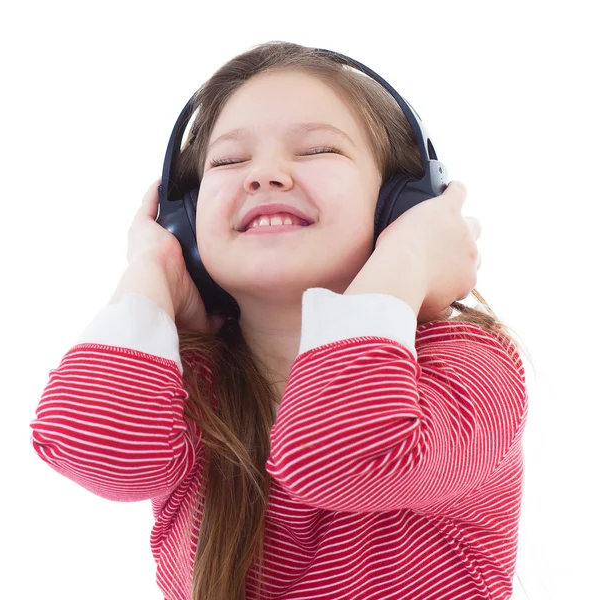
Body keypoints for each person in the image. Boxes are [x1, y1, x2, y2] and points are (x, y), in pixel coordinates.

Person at [29, 41, 529, 600]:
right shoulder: (185, 383)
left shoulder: (471, 364)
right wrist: (151, 272)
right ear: (184, 222)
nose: (264, 175)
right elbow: (91, 449)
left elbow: (342, 457)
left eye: (316, 149)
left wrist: (403, 263)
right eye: (228, 160)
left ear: (402, 206)